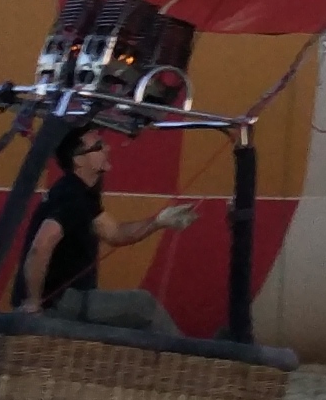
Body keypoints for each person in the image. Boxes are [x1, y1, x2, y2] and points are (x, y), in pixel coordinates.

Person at [17, 125, 199, 317]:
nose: (108, 148)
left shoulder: (80, 193)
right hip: (61, 300)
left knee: (141, 322)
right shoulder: (71, 196)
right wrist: (33, 302)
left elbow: (115, 233)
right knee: (144, 306)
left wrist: (159, 221)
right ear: (78, 160)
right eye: (98, 146)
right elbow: (41, 245)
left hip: (68, 297)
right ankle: (198, 349)